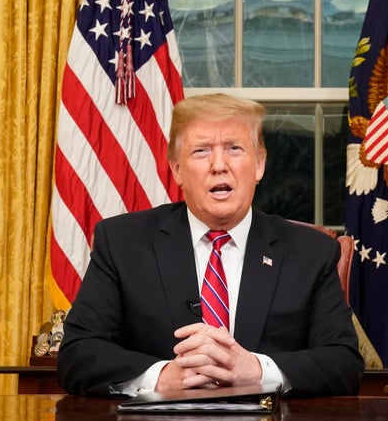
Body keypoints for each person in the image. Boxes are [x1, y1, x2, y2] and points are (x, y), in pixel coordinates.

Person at [57, 93, 365, 398]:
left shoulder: (311, 252)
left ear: (259, 164)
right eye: (202, 151)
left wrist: (257, 371)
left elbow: (343, 362)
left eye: (234, 148)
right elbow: (78, 355)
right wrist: (162, 378)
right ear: (177, 169)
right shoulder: (122, 243)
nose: (219, 165)